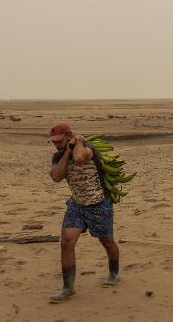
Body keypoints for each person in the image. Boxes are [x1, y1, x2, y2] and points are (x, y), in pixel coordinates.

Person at [47, 122, 119, 303]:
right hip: (77, 206)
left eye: (59, 140)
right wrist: (66, 153)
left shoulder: (89, 148)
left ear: (69, 135)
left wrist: (78, 142)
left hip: (99, 204)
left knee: (107, 242)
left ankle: (113, 272)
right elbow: (56, 176)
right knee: (66, 242)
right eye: (53, 141)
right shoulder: (58, 156)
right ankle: (68, 287)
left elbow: (80, 159)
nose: (56, 144)